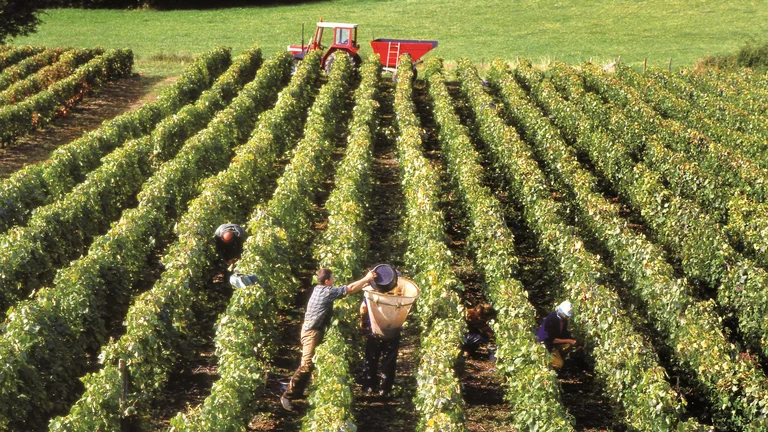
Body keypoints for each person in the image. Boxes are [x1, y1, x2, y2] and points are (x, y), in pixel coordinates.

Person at [280, 267, 376, 411]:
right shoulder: (326, 292)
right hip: (311, 333)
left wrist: (366, 284)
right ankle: (287, 396)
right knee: (306, 365)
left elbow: (350, 289)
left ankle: (298, 392)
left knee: (311, 364)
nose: (334, 280)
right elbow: (349, 289)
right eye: (332, 278)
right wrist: (366, 278)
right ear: (326, 281)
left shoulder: (319, 289)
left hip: (314, 330)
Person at [359, 283, 405, 397]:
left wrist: (362, 321)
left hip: (374, 330)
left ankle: (369, 386)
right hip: (393, 331)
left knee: (371, 357)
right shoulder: (401, 296)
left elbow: (363, 308)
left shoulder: (373, 294)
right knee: (389, 361)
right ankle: (384, 389)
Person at [537, 301, 577, 371]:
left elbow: (564, 333)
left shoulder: (563, 320)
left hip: (554, 344)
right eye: (566, 315)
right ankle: (548, 364)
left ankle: (557, 357)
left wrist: (572, 340)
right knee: (559, 364)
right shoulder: (551, 320)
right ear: (561, 312)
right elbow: (550, 339)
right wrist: (568, 340)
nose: (567, 317)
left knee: (568, 345)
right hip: (546, 346)